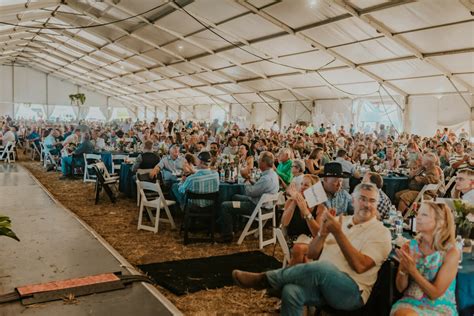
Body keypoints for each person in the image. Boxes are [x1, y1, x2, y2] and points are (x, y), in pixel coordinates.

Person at [232, 183, 392, 315]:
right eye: (362, 199)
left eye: (372, 201)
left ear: (377, 204)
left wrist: (337, 233)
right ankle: (276, 283)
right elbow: (313, 253)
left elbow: (360, 265)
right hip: (321, 284)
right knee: (291, 291)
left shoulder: (381, 233)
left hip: (351, 292)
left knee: (324, 268)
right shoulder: (341, 220)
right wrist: (322, 234)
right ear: (353, 201)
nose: (367, 204)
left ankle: (265, 279)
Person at [391, 201, 458, 316]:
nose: (418, 218)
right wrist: (403, 269)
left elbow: (435, 294)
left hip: (440, 307)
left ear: (440, 222)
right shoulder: (409, 246)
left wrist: (413, 271)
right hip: (410, 302)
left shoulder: (450, 253)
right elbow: (400, 288)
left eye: (424, 215)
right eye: (419, 213)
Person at [218, 151, 279, 243]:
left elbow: (250, 192)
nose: (257, 162)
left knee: (225, 206)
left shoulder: (266, 179)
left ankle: (227, 236)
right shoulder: (272, 174)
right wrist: (250, 180)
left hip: (256, 207)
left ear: (264, 163)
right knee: (234, 196)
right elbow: (260, 188)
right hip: (264, 204)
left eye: (259, 160)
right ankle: (234, 227)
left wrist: (245, 180)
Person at [281, 175, 321, 265]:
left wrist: (305, 211)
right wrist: (295, 202)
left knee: (305, 253)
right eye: (301, 184)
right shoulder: (290, 202)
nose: (302, 187)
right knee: (302, 253)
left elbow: (317, 234)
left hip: (312, 244)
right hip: (293, 241)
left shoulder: (320, 207)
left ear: (314, 189)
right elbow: (284, 223)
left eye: (306, 185)